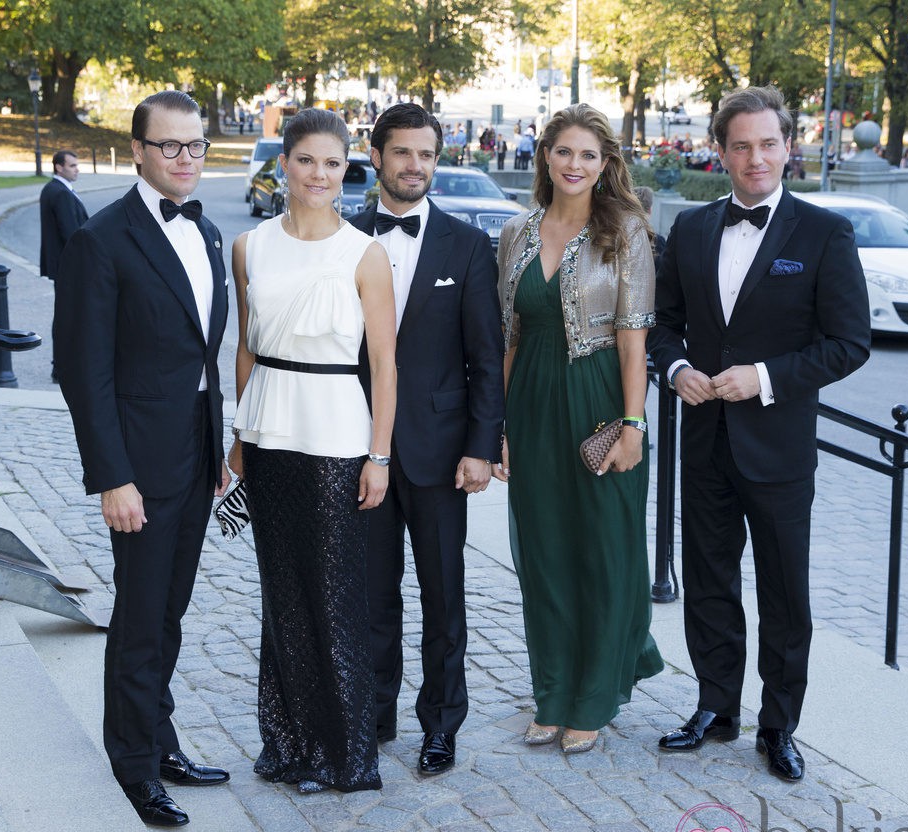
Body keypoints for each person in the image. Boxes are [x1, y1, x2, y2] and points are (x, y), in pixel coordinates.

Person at [648, 85, 870, 783]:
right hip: (705, 440)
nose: (755, 158)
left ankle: (778, 725)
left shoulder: (824, 234)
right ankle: (717, 707)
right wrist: (677, 366)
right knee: (710, 581)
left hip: (777, 447)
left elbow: (849, 343)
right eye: (740, 145)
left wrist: (765, 377)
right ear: (720, 152)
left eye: (768, 143)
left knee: (783, 593)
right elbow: (660, 325)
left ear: (788, 147)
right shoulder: (689, 230)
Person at [54, 90, 232, 827]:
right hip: (139, 464)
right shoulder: (101, 240)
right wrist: (112, 477)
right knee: (138, 616)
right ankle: (133, 767)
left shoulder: (210, 231)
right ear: (137, 151)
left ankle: (160, 741)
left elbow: (201, 353)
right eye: (170, 146)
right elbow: (82, 371)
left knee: (170, 611)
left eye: (194, 145)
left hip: (195, 446)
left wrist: (215, 445)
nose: (185, 158)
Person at [229, 108, 396, 793]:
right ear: (284, 165)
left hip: (336, 435)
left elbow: (385, 364)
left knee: (333, 598)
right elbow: (246, 346)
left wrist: (378, 456)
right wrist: (238, 438)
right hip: (268, 430)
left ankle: (345, 753)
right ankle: (292, 743)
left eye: (333, 163)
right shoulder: (248, 248)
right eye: (306, 161)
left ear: (346, 169)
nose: (319, 174)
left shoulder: (364, 253)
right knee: (282, 596)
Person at [494, 104, 664, 755]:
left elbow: (632, 344)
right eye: (564, 151)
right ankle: (554, 691)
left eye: (588, 155)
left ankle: (593, 698)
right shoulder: (516, 232)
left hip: (598, 404)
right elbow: (508, 337)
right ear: (545, 156)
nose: (574, 164)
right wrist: (498, 428)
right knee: (545, 557)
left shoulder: (625, 233)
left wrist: (632, 426)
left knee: (603, 551)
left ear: (605, 164)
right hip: (532, 406)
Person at [349, 103, 504, 777]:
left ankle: (441, 725)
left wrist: (481, 445)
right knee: (373, 597)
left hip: (442, 454)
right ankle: (374, 714)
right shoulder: (344, 239)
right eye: (403, 153)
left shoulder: (467, 246)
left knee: (445, 599)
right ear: (377, 155)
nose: (416, 166)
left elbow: (486, 358)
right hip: (360, 451)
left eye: (428, 155)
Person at [40, 149, 88, 383]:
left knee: (67, 316)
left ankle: (62, 365)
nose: (76, 169)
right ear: (59, 167)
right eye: (72, 166)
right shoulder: (58, 193)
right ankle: (60, 367)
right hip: (68, 266)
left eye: (76, 165)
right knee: (66, 318)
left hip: (64, 265)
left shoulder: (57, 189)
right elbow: (72, 234)